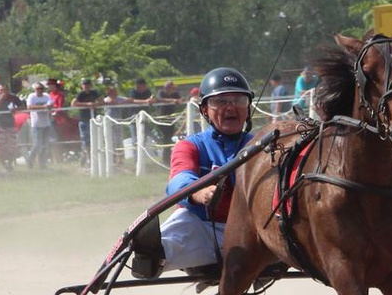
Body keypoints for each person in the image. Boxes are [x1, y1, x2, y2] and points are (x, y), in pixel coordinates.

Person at [129, 67, 256, 281]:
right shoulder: (190, 146)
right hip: (202, 228)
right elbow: (178, 181)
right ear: (205, 110)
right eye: (220, 101)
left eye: (238, 100)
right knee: (179, 225)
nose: (230, 107)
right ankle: (151, 254)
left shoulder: (262, 145)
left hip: (251, 232)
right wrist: (199, 193)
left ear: (248, 108)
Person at [0, 82, 23, 171]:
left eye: (5, 90)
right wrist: (1, 98)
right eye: (1, 90)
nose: (3, 91)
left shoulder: (13, 97)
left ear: (8, 90)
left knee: (12, 147)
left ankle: (10, 164)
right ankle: (4, 164)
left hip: (10, 124)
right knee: (0, 147)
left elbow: (23, 106)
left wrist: (16, 109)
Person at [71, 78, 102, 165]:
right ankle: (88, 158)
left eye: (88, 84)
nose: (86, 86)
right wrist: (87, 104)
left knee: (95, 138)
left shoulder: (94, 93)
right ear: (82, 86)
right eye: (84, 84)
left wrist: (95, 104)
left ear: (90, 85)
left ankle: (91, 157)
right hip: (84, 119)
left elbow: (102, 101)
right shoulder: (80, 94)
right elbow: (73, 104)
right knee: (86, 139)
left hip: (94, 119)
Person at [25, 82, 53, 169]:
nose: (40, 90)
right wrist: (43, 107)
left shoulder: (46, 96)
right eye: (38, 89)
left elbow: (50, 105)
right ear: (34, 90)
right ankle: (30, 160)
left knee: (45, 145)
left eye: (41, 88)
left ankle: (42, 164)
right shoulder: (31, 96)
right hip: (36, 124)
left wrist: (43, 106)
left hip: (46, 124)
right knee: (37, 144)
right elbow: (29, 107)